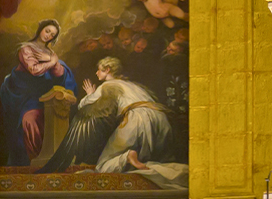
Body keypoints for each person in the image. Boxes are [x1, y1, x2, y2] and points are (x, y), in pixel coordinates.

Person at [43, 57, 181, 183]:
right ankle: (136, 161)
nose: (97, 73)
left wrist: (90, 94)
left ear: (107, 70)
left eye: (99, 70)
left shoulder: (108, 86)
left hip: (137, 120)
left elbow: (83, 106)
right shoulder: (133, 85)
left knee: (104, 165)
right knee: (156, 161)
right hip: (161, 120)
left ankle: (127, 156)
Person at [0, 20, 76, 167]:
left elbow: (59, 74)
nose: (49, 36)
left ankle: (51, 159)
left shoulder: (51, 53)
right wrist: (52, 62)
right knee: (30, 120)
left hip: (43, 94)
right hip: (24, 95)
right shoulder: (26, 49)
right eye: (47, 31)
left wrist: (55, 62)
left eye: (52, 35)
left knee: (53, 118)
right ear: (40, 29)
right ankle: (36, 160)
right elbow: (34, 70)